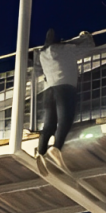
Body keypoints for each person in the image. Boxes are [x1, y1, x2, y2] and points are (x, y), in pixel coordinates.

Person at [36, 28, 94, 168]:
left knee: (49, 125)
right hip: (65, 89)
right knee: (65, 121)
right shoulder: (66, 49)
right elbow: (88, 47)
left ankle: (40, 152)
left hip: (48, 91)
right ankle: (56, 148)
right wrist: (84, 36)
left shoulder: (42, 54)